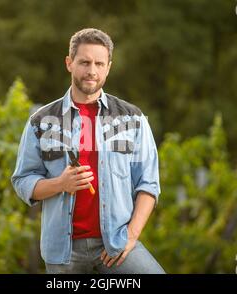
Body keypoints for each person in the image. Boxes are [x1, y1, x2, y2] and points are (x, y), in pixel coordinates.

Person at [11, 28, 165, 274]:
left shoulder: (132, 118)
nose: (91, 71)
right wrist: (61, 183)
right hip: (63, 251)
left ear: (108, 67)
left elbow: (149, 183)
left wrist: (131, 236)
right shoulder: (41, 121)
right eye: (84, 62)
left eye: (99, 63)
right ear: (69, 63)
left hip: (116, 245)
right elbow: (22, 181)